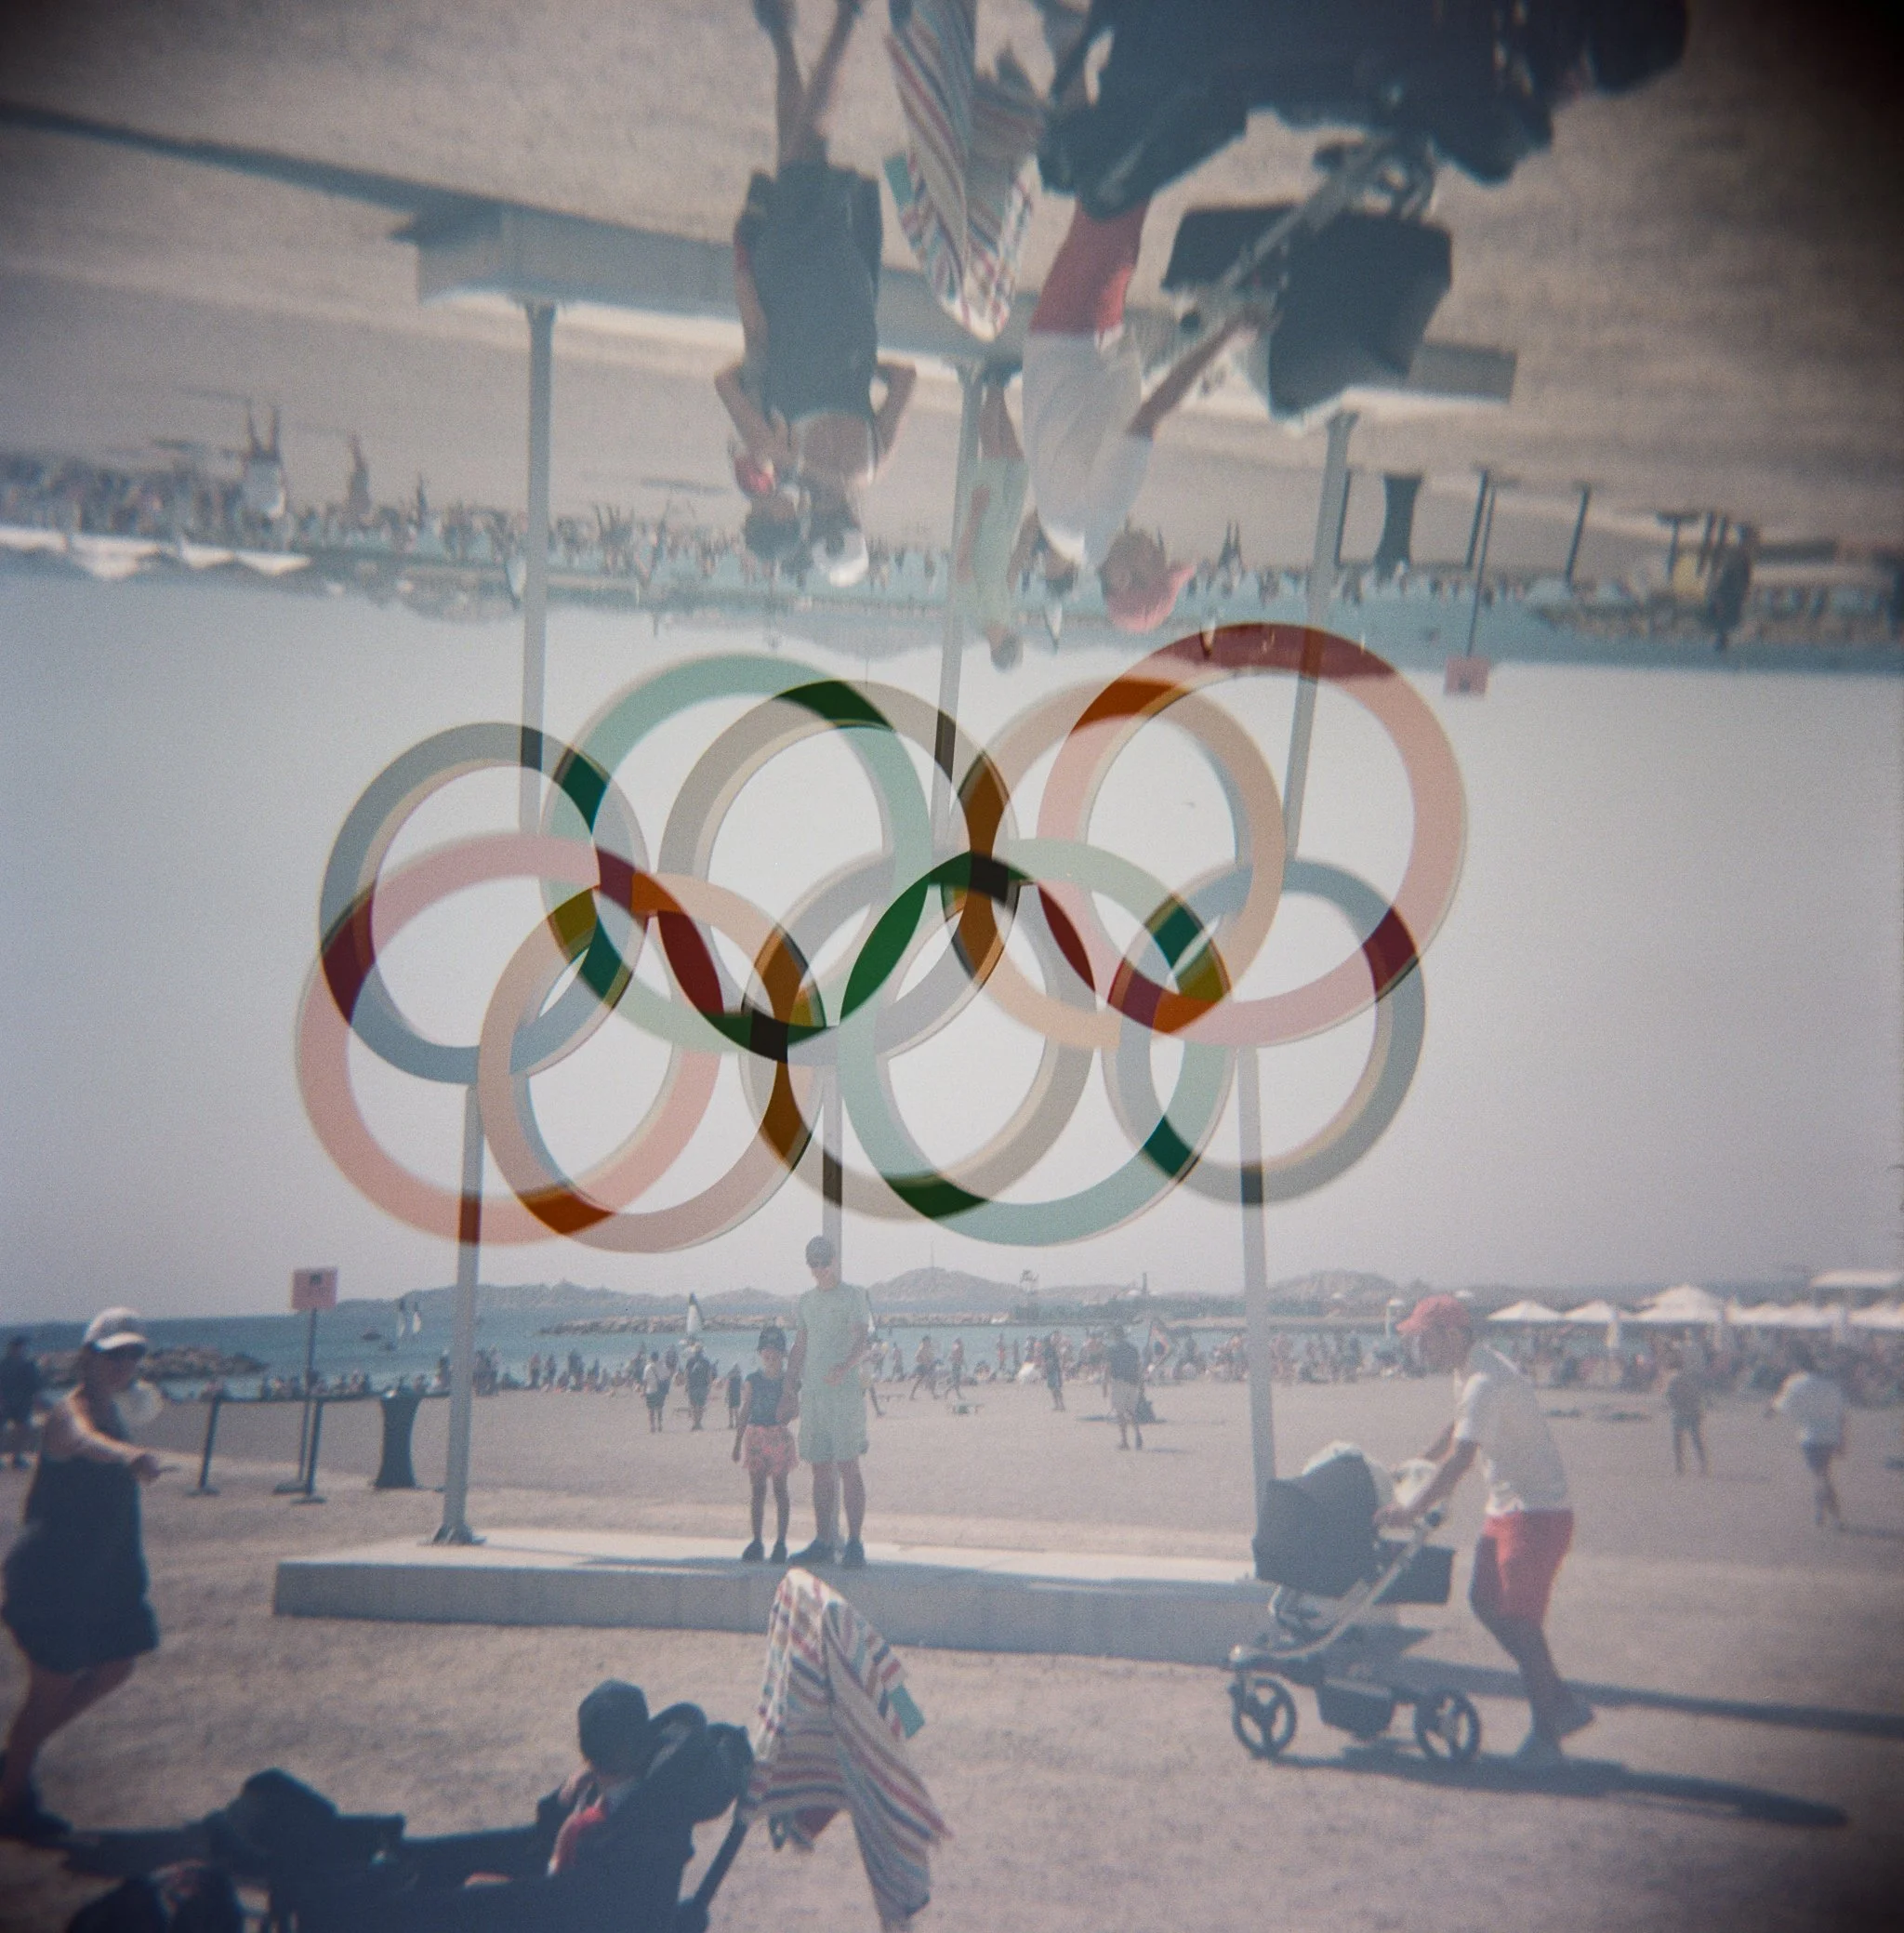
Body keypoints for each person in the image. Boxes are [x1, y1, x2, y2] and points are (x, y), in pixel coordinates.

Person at [719, 0, 918, 584]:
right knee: (808, 148)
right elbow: (727, 381)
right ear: (813, 528)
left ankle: (781, 33)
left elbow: (905, 379)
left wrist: (857, 360)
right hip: (793, 288)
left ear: (857, 527)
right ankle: (846, 20)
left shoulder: (874, 465)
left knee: (797, 159)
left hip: (853, 298)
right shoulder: (780, 456)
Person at [1021, 192, 1262, 632]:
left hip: (1078, 340)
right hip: (1057, 348)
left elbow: (1152, 412)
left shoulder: (1102, 519)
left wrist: (1224, 341)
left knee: (1117, 207)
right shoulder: (1069, 538)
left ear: (1125, 578)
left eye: (1158, 566)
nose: (1160, 552)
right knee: (1105, 213)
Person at [1376, 1295, 1592, 1768]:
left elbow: (1461, 1459)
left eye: (1424, 1338)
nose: (1419, 1348)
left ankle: (1548, 1735)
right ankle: (1560, 1700)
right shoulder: (1471, 1371)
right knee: (1483, 1600)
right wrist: (1417, 1463)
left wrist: (1410, 1509)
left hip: (1536, 1512)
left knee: (1521, 1623)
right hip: (1509, 1507)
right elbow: (1455, 1430)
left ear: (1452, 1335)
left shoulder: (1484, 1382)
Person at [2, 1308, 165, 1843]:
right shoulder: (69, 1414)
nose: (124, 1363)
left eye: (133, 1353)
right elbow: (89, 1442)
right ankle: (9, 1800)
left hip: (102, 1573)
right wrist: (131, 1455)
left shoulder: (116, 1409)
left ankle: (15, 1760)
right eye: (114, 1352)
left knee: (116, 1666)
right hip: (50, 1576)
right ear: (87, 1356)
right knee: (52, 1689)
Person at [785, 1236, 871, 1568]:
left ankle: (855, 1543)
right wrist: (789, 1387)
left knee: (848, 1465)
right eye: (814, 1262)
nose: (820, 1268)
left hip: (844, 1395)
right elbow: (800, 1344)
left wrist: (844, 1367)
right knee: (819, 1468)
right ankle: (823, 1540)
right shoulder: (805, 1301)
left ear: (835, 1260)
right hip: (814, 1396)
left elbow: (862, 1339)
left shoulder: (854, 1295)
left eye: (824, 1261)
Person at [733, 1326, 798, 1564]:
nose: (771, 1356)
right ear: (760, 1353)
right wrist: (737, 1442)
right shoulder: (752, 1381)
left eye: (775, 1352)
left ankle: (780, 1542)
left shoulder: (787, 1381)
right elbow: (745, 1411)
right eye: (766, 1352)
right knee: (757, 1491)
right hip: (756, 1437)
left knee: (780, 1491)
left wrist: (788, 1406)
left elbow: (795, 1409)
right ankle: (757, 1540)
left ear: (782, 1355)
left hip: (778, 1436)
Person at [1772, 1344, 1847, 1529]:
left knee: (1821, 1477)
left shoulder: (1796, 1383)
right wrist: (1843, 1440)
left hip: (1811, 1437)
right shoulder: (1831, 1385)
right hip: (1830, 1436)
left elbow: (1783, 1405)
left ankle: (1834, 1517)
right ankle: (1820, 1513)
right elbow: (1841, 1414)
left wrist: (1770, 1409)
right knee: (1822, 1474)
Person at [1661, 1344, 1708, 1476]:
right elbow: (1698, 1393)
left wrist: (1673, 1405)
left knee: (1678, 1440)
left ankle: (1680, 1466)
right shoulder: (1690, 1375)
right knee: (1696, 1439)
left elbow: (1670, 1396)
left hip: (1681, 1412)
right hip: (1693, 1410)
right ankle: (1703, 1464)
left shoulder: (1673, 1378)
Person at [1, 1336, 43, 1470]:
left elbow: (35, 1385)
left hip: (22, 1402)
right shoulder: (4, 1365)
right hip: (5, 1402)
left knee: (22, 1430)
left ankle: (17, 1457)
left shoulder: (28, 1365)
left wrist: (36, 1399)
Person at [1103, 1324, 1144, 1450]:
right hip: (1133, 1381)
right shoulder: (1133, 1348)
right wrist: (1141, 1384)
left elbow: (1108, 1368)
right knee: (1131, 1411)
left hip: (1119, 1381)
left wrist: (1104, 1384)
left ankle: (1124, 1441)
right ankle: (1137, 1432)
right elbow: (1138, 1367)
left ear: (1114, 1335)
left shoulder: (1111, 1349)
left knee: (1120, 1412)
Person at [683, 1345, 714, 1432]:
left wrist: (686, 1385)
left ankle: (695, 1423)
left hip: (692, 1386)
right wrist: (710, 1386)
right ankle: (699, 1423)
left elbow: (686, 1374)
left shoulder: (690, 1361)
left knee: (693, 1406)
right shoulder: (706, 1361)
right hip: (703, 1386)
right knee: (701, 1406)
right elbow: (709, 1374)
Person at [641, 1355, 668, 1434]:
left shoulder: (647, 1367)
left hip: (651, 1390)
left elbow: (645, 1381)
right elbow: (667, 1377)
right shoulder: (662, 1366)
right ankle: (659, 1424)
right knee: (659, 1409)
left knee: (651, 1409)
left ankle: (652, 1425)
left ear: (651, 1358)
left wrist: (644, 1391)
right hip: (660, 1390)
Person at [1043, 1331, 1065, 1410]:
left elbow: (1049, 1361)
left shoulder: (1048, 1350)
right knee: (1054, 1389)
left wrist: (1045, 1371)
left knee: (1055, 1389)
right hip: (1055, 1370)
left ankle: (1059, 1405)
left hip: (1053, 1371)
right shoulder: (1052, 1349)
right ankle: (1059, 1405)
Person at [724, 1361, 745, 1429]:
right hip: (737, 1394)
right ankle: (737, 1424)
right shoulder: (739, 1376)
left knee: (730, 1410)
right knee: (736, 1410)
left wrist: (726, 1395)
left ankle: (731, 1424)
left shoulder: (730, 1376)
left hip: (731, 1393)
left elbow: (727, 1385)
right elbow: (742, 1386)